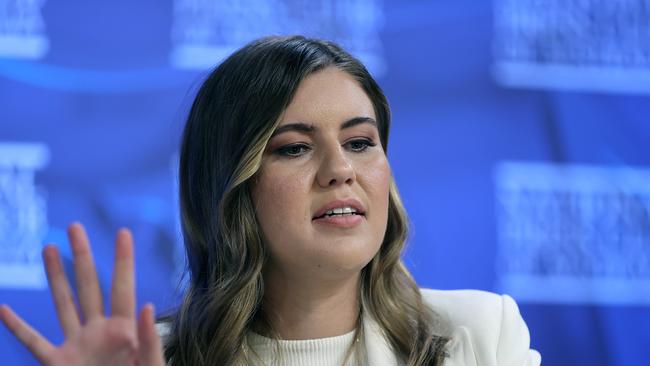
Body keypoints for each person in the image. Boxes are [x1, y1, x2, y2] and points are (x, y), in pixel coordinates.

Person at [0, 36, 541, 366]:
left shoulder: (479, 335)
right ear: (232, 187)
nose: (341, 171)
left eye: (359, 142)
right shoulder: (150, 360)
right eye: (295, 148)